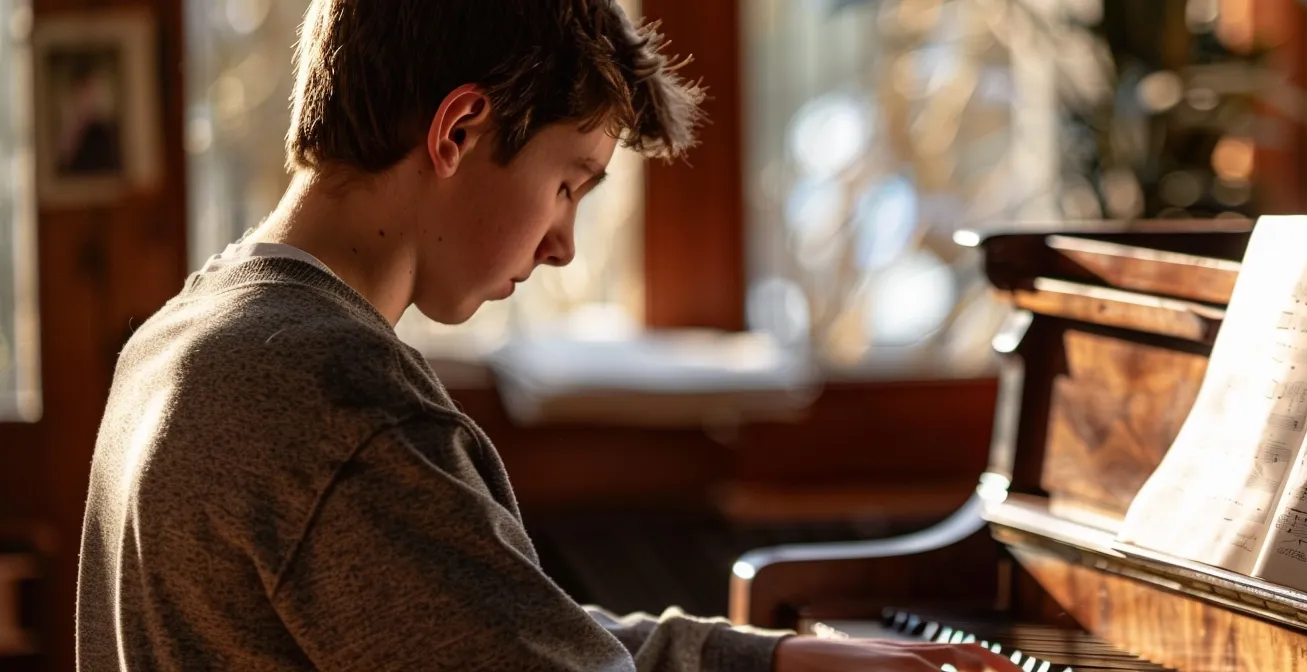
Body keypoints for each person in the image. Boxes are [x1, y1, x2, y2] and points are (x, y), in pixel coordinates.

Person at [76, 1, 1022, 670]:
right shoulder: (338, 397)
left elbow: (494, 625)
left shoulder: (186, 333)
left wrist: (770, 662)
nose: (565, 245)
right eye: (569, 181)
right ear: (458, 130)